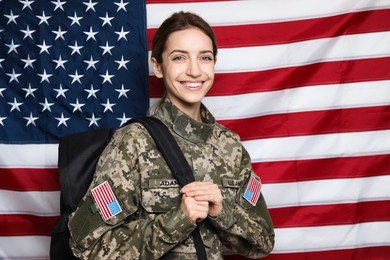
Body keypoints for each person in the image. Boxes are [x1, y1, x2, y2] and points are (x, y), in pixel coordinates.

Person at [68, 11, 275, 259]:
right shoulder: (133, 141)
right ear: (157, 66)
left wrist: (222, 214)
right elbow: (87, 247)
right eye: (179, 58)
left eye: (205, 58)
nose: (195, 71)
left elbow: (263, 242)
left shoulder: (230, 146)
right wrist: (179, 219)